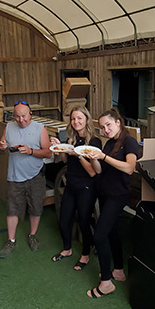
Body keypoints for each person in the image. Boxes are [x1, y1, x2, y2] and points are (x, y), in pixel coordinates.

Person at [83, 108, 138, 298]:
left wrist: (104, 157)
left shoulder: (129, 141)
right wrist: (93, 157)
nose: (105, 129)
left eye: (108, 125)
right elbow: (98, 171)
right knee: (112, 231)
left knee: (99, 236)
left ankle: (106, 283)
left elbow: (130, 168)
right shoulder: (109, 144)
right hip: (105, 193)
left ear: (118, 122)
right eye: (102, 127)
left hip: (117, 195)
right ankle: (119, 271)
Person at [0, 101, 52, 258]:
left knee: (36, 207)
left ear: (30, 114)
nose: (21, 120)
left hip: (35, 175)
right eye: (17, 116)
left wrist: (31, 151)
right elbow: (1, 150)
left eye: (24, 116)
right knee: (12, 209)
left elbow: (48, 153)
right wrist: (0, 147)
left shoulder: (40, 129)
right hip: (14, 176)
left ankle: (32, 235)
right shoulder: (8, 127)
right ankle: (11, 240)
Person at [49, 105, 102, 270]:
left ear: (86, 119)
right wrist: (60, 147)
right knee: (64, 219)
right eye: (73, 119)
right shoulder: (71, 138)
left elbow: (93, 172)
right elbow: (65, 161)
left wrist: (77, 155)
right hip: (71, 185)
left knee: (84, 222)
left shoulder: (93, 141)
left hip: (86, 187)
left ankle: (85, 255)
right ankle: (67, 249)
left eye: (79, 118)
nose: (76, 121)